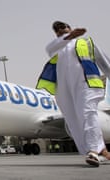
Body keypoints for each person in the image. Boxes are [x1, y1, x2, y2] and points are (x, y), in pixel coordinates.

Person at [37, 21, 110, 167]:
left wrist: (74, 36)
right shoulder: (56, 47)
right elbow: (51, 47)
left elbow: (105, 63)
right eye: (57, 29)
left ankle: (93, 151)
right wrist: (70, 36)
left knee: (87, 112)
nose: (60, 30)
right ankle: (102, 152)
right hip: (65, 89)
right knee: (74, 120)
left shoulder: (87, 42)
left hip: (87, 83)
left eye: (63, 27)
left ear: (69, 27)